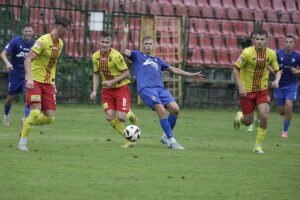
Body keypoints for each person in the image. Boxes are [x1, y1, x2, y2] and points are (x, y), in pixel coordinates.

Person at [121, 23, 204, 150]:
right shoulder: (137, 56)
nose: (148, 46)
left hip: (160, 89)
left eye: (150, 44)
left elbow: (174, 70)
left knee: (175, 109)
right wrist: (126, 33)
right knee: (161, 109)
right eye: (146, 44)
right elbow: (122, 51)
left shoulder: (157, 60)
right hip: (146, 89)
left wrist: (191, 74)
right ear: (143, 45)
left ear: (153, 45)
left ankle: (165, 136)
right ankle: (172, 140)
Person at [17, 17, 71, 151]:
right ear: (59, 28)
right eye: (66, 29)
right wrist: (29, 79)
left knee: (50, 118)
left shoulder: (61, 44)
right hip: (34, 80)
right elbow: (28, 59)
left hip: (48, 83)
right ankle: (22, 144)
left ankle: (25, 121)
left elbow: (53, 65)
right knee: (35, 112)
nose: (68, 32)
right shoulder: (42, 41)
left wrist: (53, 83)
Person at [232, 30, 282, 153]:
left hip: (262, 90)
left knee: (264, 116)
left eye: (262, 39)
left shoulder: (271, 54)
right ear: (253, 40)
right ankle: (240, 117)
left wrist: (277, 80)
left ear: (267, 40)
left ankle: (257, 146)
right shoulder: (247, 53)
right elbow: (235, 69)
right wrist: (240, 87)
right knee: (248, 121)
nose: (259, 41)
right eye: (257, 39)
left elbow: (277, 70)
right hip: (247, 91)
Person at [90, 31, 138, 148]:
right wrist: (94, 91)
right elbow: (96, 74)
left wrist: (112, 81)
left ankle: (130, 114)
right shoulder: (95, 56)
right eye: (103, 42)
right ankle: (129, 139)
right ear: (99, 42)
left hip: (120, 88)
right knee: (110, 117)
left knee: (121, 118)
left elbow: (127, 74)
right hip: (107, 91)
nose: (105, 44)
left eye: (107, 42)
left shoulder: (116, 56)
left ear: (111, 43)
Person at [1, 24, 34, 126]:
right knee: (10, 98)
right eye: (26, 31)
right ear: (22, 32)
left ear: (32, 32)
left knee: (28, 97)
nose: (28, 33)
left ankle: (26, 120)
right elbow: (2, 53)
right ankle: (6, 117)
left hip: (27, 75)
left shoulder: (35, 43)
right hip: (15, 75)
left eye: (30, 31)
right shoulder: (15, 41)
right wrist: (7, 63)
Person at [274, 35, 300, 138]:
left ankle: (284, 131)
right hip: (279, 86)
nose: (288, 44)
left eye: (290, 42)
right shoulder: (278, 54)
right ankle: (286, 118)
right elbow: (271, 65)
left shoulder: (297, 56)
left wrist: (297, 71)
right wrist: (276, 71)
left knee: (289, 107)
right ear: (284, 43)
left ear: (294, 44)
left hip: (291, 86)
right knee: (282, 111)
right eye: (286, 42)